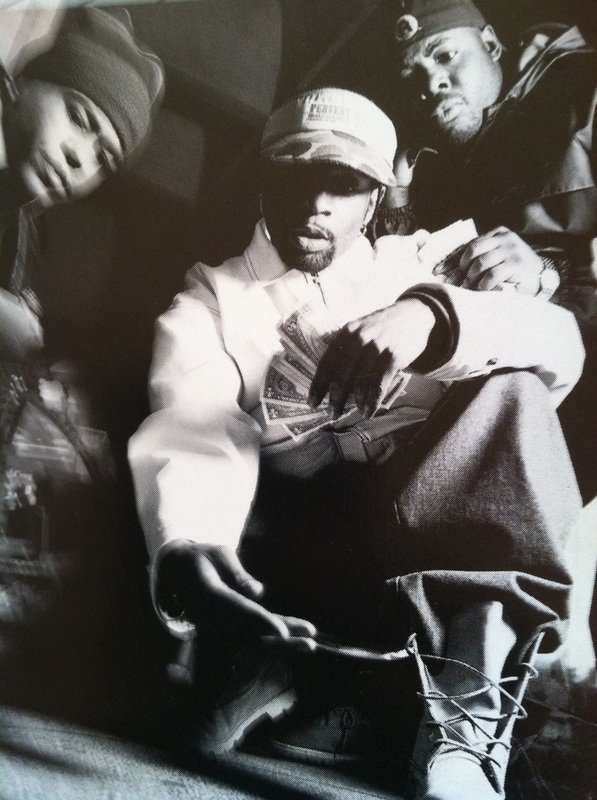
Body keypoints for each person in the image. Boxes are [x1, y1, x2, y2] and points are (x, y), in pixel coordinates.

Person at [129, 87, 584, 799]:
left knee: (513, 394)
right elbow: (194, 421)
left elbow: (562, 351)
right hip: (294, 566)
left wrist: (433, 318)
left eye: (343, 184)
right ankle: (267, 663)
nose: (317, 204)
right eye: (297, 177)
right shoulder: (213, 297)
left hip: (422, 562)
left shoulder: (422, 265)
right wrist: (186, 539)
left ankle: (463, 720)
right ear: (264, 182)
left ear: (373, 201)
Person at [373, 0, 597, 503]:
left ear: (491, 44)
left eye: (445, 55)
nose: (432, 83)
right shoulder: (445, 154)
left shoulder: (583, 92)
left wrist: (548, 275)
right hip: (494, 391)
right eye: (414, 78)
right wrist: (398, 187)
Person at [0, 6, 164, 362]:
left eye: (103, 159)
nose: (80, 159)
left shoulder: (25, 230)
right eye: (78, 117)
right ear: (22, 83)